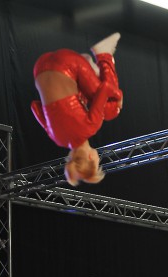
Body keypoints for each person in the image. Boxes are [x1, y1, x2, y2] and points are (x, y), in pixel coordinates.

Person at [31, 33, 123, 186]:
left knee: (110, 109)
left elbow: (106, 88)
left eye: (98, 162)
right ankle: (89, 70)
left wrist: (119, 97)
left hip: (67, 62)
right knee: (83, 102)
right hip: (39, 67)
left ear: (90, 157)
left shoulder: (90, 127)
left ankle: (103, 54)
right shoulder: (56, 138)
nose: (99, 158)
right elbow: (35, 106)